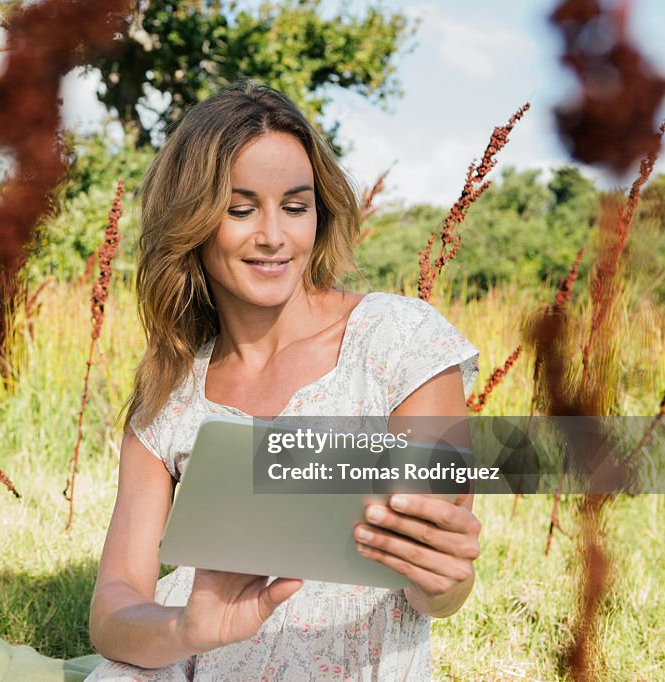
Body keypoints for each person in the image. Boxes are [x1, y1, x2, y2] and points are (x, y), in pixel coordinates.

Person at [85, 81, 482, 681]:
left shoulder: (402, 343)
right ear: (191, 220)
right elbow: (114, 606)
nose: (273, 236)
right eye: (240, 209)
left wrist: (444, 583)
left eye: (295, 207)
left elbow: (434, 588)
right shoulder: (171, 390)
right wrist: (187, 629)